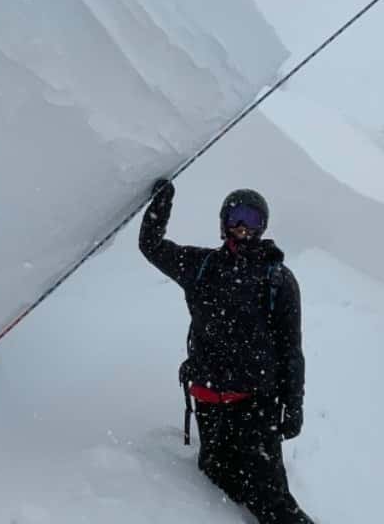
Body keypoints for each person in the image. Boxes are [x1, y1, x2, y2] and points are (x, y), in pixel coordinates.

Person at [139, 179, 314, 524]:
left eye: (251, 219)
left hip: (255, 405)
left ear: (262, 226)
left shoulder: (278, 280)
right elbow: (151, 246)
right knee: (216, 471)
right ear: (223, 223)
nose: (243, 227)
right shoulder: (201, 266)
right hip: (209, 400)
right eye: (236, 217)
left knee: (273, 500)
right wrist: (162, 204)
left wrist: (293, 406)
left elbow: (291, 350)